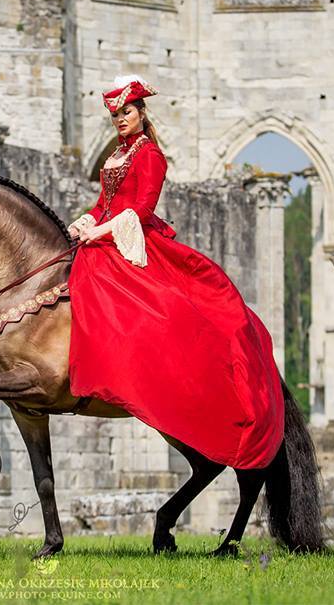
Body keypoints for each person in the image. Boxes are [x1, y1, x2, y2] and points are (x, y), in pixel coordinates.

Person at [66, 75, 284, 470]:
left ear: (142, 113)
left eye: (127, 112)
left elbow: (142, 209)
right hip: (107, 233)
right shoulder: (116, 156)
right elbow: (105, 202)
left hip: (137, 239)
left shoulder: (150, 156)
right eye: (115, 114)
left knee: (161, 308)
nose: (120, 119)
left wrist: (101, 230)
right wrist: (84, 221)